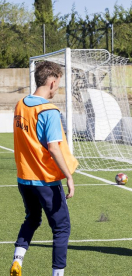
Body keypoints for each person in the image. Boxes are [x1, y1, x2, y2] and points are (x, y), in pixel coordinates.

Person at [11, 61, 78, 276]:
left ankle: (18, 260)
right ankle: (57, 274)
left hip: (24, 179)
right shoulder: (49, 111)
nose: (57, 89)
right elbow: (53, 148)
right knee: (61, 227)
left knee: (32, 218)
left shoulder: (20, 104)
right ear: (51, 82)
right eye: (57, 84)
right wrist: (68, 175)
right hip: (45, 181)